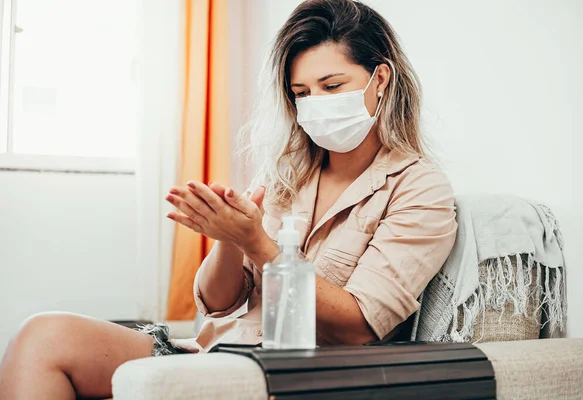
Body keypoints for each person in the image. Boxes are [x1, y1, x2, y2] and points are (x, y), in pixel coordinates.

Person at [0, 0, 457, 397]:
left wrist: (258, 242)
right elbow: (217, 304)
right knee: (42, 337)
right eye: (301, 93)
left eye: (331, 86)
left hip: (290, 372)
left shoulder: (419, 189)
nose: (314, 103)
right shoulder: (287, 173)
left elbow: (358, 325)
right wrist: (227, 236)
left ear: (381, 79)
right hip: (213, 350)